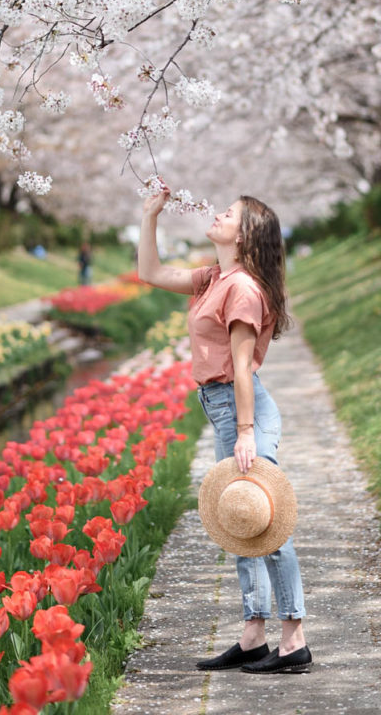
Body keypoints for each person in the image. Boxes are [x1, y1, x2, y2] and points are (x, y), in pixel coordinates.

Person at [138, 189, 312, 674]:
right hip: (223, 408)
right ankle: (253, 634)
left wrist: (246, 432)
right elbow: (150, 273)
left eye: (229, 214)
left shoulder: (242, 290)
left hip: (242, 409)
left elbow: (241, 369)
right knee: (240, 520)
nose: (217, 214)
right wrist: (150, 215)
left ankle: (294, 636)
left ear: (245, 235)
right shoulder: (215, 277)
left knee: (268, 522)